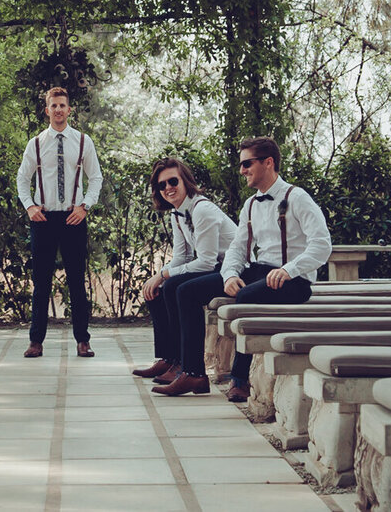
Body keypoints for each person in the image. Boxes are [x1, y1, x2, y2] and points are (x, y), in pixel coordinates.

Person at [156, 137, 330, 400]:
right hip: (260, 271)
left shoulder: (297, 198)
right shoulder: (250, 205)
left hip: (295, 281)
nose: (242, 170)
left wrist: (289, 269)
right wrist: (229, 275)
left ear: (268, 163)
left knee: (247, 295)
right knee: (185, 290)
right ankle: (194, 374)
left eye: (247, 163)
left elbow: (322, 245)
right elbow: (237, 249)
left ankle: (239, 379)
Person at [132, 156, 238, 385]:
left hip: (234, 271)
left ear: (186, 181)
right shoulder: (177, 213)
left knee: (174, 286)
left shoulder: (202, 210)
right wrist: (156, 278)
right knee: (159, 288)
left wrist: (164, 275)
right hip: (215, 269)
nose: (168, 188)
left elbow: (206, 262)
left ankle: (187, 367)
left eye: (172, 182)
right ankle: (170, 358)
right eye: (162, 185)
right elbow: (182, 257)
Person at [16, 86, 103, 359]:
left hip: (73, 218)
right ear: (47, 110)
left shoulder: (83, 141)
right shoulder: (37, 143)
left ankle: (83, 341)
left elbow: (96, 178)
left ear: (69, 109)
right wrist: (29, 206)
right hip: (43, 218)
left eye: (62, 105)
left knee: (77, 282)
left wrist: (85, 206)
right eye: (53, 106)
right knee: (41, 282)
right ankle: (36, 342)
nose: (58, 110)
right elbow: (22, 178)